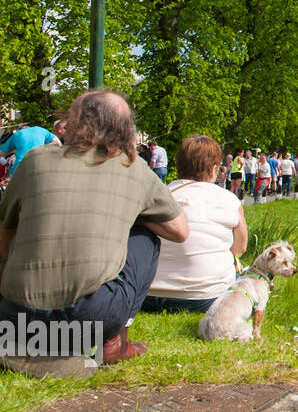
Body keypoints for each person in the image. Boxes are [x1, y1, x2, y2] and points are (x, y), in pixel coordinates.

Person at [0, 91, 189, 375]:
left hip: (14, 315)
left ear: (78, 122)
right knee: (146, 238)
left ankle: (28, 348)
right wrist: (132, 213)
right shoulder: (134, 168)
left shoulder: (35, 160)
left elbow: (4, 234)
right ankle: (115, 343)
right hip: (89, 318)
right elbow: (179, 231)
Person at [143, 135, 248, 313]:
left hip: (147, 294)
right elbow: (239, 249)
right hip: (204, 296)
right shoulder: (229, 200)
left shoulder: (157, 195)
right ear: (214, 169)